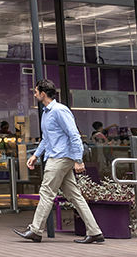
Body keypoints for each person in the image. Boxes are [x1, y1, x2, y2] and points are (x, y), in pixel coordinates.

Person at [14, 80, 104, 244]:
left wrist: (78, 159)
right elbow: (47, 138)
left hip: (60, 158)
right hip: (57, 156)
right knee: (74, 196)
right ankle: (95, 232)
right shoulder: (47, 113)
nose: (34, 95)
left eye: (36, 92)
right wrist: (36, 155)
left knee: (46, 192)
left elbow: (74, 135)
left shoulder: (59, 110)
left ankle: (35, 230)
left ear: (43, 93)